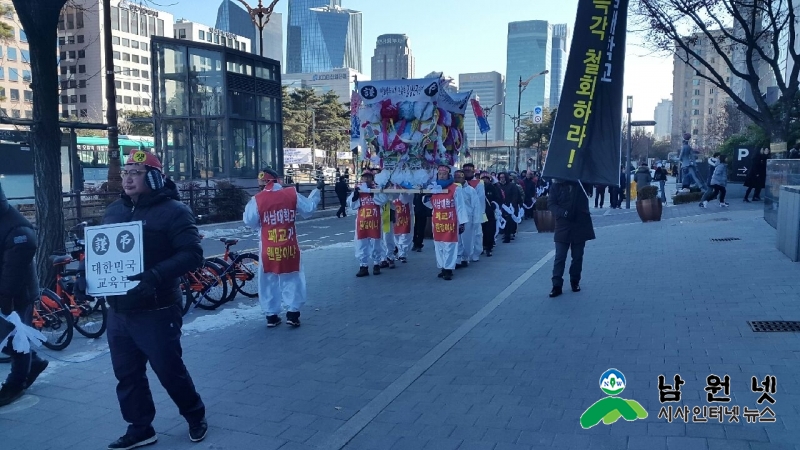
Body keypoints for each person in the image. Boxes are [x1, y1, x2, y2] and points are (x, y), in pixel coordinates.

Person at [103, 151, 206, 448]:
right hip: (119, 311)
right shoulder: (113, 212)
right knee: (127, 375)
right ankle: (140, 428)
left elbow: (192, 255)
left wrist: (155, 275)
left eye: (136, 171)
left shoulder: (174, 211)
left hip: (157, 309)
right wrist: (89, 281)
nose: (128, 178)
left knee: (169, 371)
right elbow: (102, 253)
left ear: (154, 176)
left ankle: (195, 414)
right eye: (125, 172)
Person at [243, 168, 320, 328]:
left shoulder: (257, 199)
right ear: (278, 179)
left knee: (268, 280)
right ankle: (293, 313)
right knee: (292, 278)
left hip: (268, 247)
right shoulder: (291, 194)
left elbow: (249, 221)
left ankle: (271, 315)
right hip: (289, 245)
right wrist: (316, 193)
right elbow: (308, 210)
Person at [0, 183, 48, 407]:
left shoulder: (17, 229)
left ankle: (16, 383)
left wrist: (4, 298)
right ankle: (34, 362)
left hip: (16, 294)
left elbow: (12, 274)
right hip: (6, 290)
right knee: (8, 338)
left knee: (14, 337)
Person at [547, 179, 596, 298]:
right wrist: (562, 212)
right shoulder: (556, 186)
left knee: (578, 256)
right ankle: (556, 285)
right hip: (563, 225)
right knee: (560, 257)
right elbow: (551, 204)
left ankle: (575, 281)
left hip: (580, 224)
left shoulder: (582, 183)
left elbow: (590, 189)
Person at [424, 165, 468, 280]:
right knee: (439, 246)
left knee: (450, 246)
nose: (442, 176)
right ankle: (442, 267)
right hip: (438, 222)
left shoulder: (455, 188)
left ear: (448, 175)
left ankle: (448, 269)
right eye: (439, 174)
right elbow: (430, 205)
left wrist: (462, 222)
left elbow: (460, 206)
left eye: (444, 174)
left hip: (450, 222)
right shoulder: (433, 188)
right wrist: (426, 197)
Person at [348, 171, 388, 276]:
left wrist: (372, 193)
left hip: (374, 221)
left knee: (376, 243)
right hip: (362, 222)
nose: (366, 179)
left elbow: (383, 200)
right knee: (361, 244)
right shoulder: (358, 189)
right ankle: (363, 266)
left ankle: (376, 264)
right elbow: (352, 205)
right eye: (364, 177)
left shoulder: (377, 188)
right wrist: (355, 196)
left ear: (372, 178)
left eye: (368, 177)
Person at [454, 170, 478, 269]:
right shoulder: (453, 189)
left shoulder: (471, 190)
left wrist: (476, 220)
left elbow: (476, 205)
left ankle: (466, 257)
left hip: (468, 218)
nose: (457, 179)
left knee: (467, 239)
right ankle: (458, 259)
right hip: (455, 217)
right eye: (455, 177)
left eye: (459, 177)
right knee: (457, 239)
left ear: (464, 178)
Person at [463, 163, 486, 262]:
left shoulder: (478, 183)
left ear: (473, 171)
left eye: (469, 170)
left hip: (475, 212)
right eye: (465, 171)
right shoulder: (459, 183)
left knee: (477, 233)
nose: (467, 172)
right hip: (464, 213)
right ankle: (465, 254)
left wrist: (480, 214)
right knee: (465, 235)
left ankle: (476, 252)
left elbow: (481, 200)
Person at [480, 172, 500, 257]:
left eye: (486, 178)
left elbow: (498, 198)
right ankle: (482, 246)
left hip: (490, 213)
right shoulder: (478, 188)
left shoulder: (493, 188)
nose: (485, 180)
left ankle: (489, 248)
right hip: (481, 213)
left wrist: (494, 205)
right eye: (483, 178)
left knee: (490, 231)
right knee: (481, 231)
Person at [497, 172, 520, 243]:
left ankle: (508, 236)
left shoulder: (512, 186)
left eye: (503, 177)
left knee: (509, 221)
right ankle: (504, 233)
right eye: (500, 178)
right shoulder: (498, 186)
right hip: (501, 207)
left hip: (509, 206)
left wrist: (513, 205)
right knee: (502, 220)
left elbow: (515, 196)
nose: (502, 179)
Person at [392, 194, 413, 263]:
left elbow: (405, 199)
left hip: (406, 216)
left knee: (405, 236)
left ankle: (402, 254)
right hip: (396, 216)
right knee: (396, 235)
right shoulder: (391, 190)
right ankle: (399, 251)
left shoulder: (408, 190)